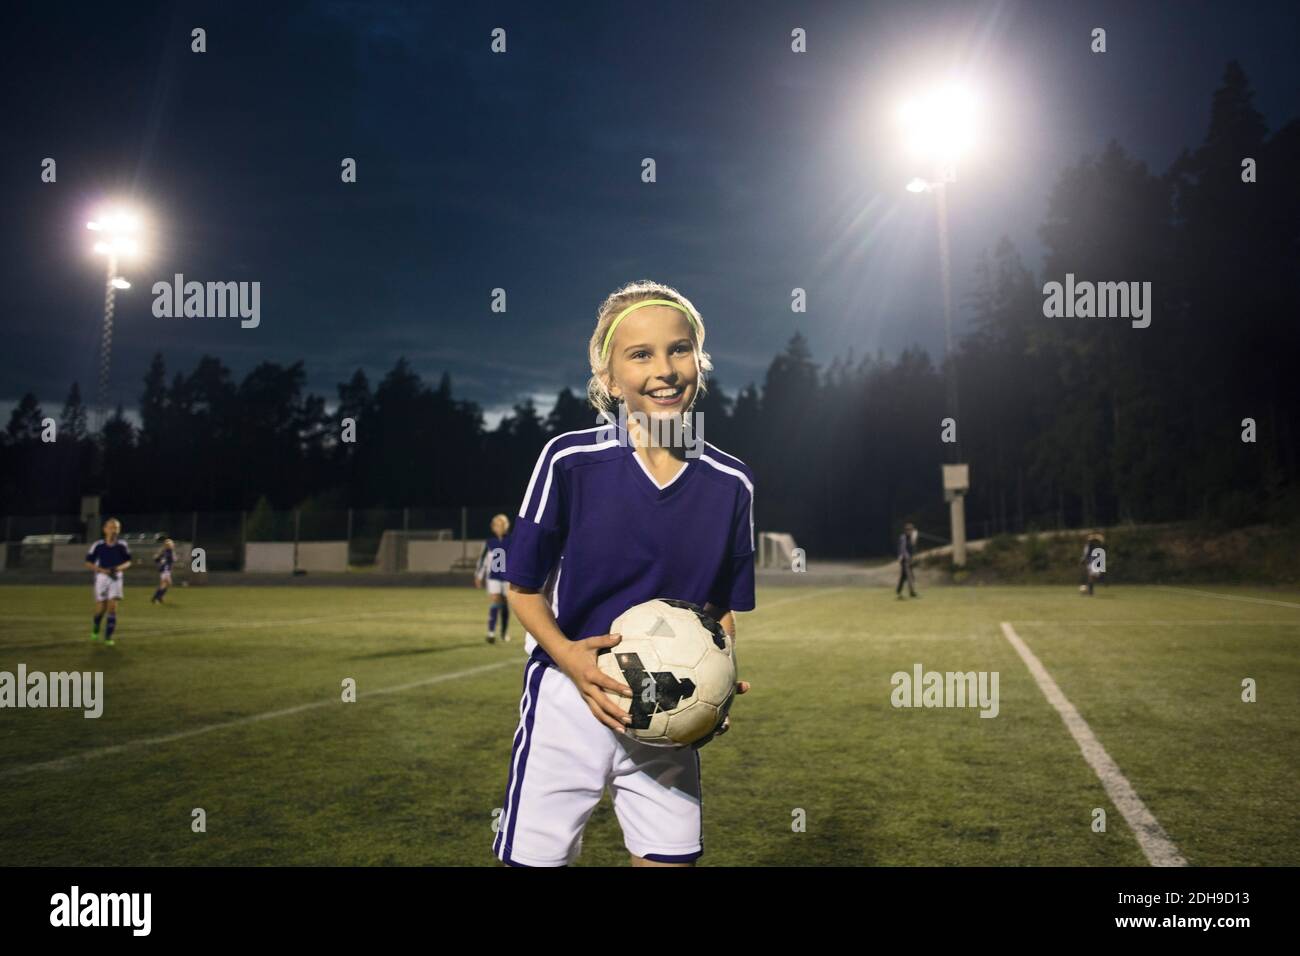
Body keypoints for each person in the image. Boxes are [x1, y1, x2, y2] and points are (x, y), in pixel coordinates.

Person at [492, 280, 754, 868]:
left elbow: (720, 608)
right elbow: (523, 589)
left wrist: (716, 681)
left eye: (679, 349)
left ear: (698, 362)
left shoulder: (731, 483)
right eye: (640, 355)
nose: (665, 369)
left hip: (669, 709)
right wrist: (570, 659)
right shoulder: (569, 461)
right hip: (569, 696)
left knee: (670, 860)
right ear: (609, 380)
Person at [84, 517, 131, 646]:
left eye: (116, 528)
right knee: (101, 608)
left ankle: (108, 637)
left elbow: (128, 562)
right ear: (105, 529)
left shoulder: (122, 545)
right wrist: (101, 570)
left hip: (116, 577)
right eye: (111, 527)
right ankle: (96, 625)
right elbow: (88, 563)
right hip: (101, 578)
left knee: (112, 607)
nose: (113, 530)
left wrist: (117, 568)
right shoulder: (98, 545)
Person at [475, 514, 512, 643]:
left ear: (505, 526)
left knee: (505, 605)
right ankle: (490, 633)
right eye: (495, 525)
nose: (497, 527)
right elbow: (482, 560)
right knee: (496, 602)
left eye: (499, 525)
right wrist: (479, 576)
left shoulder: (512, 541)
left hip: (508, 578)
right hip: (494, 577)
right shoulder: (489, 542)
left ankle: (504, 631)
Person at [896, 521, 919, 599]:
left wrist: (915, 537)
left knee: (904, 577)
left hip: (909, 560)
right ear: (906, 531)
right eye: (909, 530)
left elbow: (913, 546)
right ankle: (911, 593)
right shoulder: (903, 537)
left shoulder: (911, 538)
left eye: (911, 530)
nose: (910, 531)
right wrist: (908, 557)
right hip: (905, 560)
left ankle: (899, 592)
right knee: (910, 577)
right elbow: (903, 549)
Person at [1080, 530, 1105, 595]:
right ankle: (1090, 591)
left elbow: (1101, 540)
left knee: (1095, 576)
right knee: (1091, 575)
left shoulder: (1096, 539)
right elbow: (1086, 552)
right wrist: (1083, 559)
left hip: (1097, 558)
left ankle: (1088, 589)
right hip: (1092, 558)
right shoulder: (1089, 543)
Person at [151, 538, 176, 604]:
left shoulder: (166, 551)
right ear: (169, 545)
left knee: (165, 584)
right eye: (171, 544)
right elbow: (166, 561)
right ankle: (155, 598)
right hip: (165, 570)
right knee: (166, 584)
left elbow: (157, 560)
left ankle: (159, 598)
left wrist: (157, 558)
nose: (173, 545)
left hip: (165, 570)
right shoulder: (168, 552)